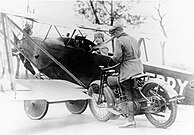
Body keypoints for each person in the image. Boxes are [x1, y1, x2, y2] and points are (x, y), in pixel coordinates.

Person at [109, 23, 143, 128]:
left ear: (117, 32)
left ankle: (130, 120)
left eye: (113, 34)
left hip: (128, 69)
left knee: (128, 94)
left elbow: (117, 57)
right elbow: (139, 53)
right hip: (138, 67)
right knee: (134, 90)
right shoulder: (132, 38)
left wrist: (110, 62)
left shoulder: (119, 41)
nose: (114, 36)